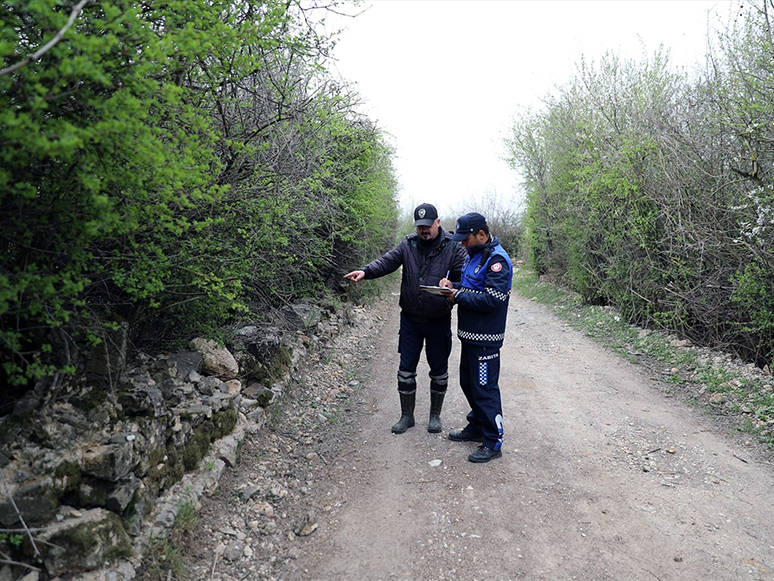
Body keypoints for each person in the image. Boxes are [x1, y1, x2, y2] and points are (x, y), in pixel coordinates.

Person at [344, 203, 466, 434]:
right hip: (410, 320)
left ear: (437, 222)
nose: (424, 231)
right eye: (420, 226)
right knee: (405, 370)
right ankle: (406, 416)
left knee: (439, 371)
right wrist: (366, 271)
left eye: (428, 226)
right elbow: (387, 261)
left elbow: (464, 278)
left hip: (438, 319)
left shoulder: (454, 247)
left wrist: (453, 286)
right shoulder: (408, 244)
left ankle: (434, 416)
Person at [439, 212, 513, 463]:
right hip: (470, 337)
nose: (462, 243)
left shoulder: (497, 261)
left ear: (481, 235)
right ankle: (478, 426)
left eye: (465, 239)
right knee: (468, 384)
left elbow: (493, 298)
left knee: (485, 389)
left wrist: (457, 296)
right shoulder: (476, 255)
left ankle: (493, 441)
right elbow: (473, 286)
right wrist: (453, 286)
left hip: (486, 339)